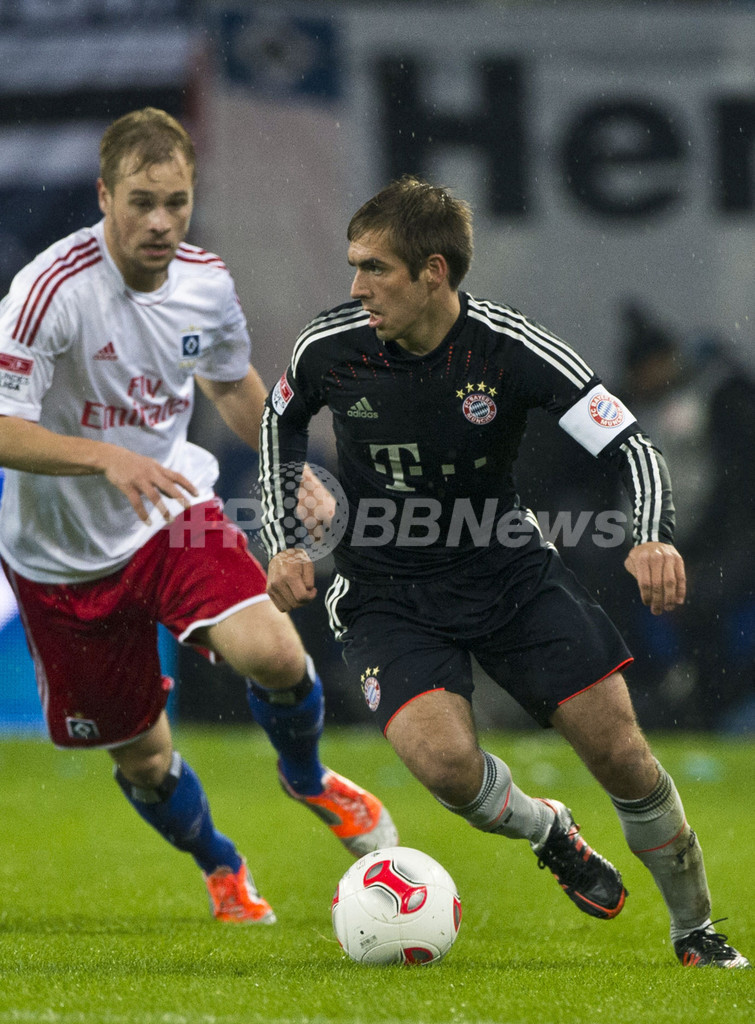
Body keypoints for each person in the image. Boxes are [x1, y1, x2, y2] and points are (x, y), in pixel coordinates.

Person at [258, 175, 750, 968]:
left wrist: (649, 537)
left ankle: (694, 930)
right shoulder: (329, 347)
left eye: (375, 268)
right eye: (354, 267)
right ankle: (548, 831)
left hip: (509, 577)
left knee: (622, 757)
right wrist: (282, 540)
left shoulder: (510, 347)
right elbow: (278, 420)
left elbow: (630, 444)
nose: (356, 289)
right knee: (448, 770)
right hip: (386, 594)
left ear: (433, 273)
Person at [0, 108, 397, 925]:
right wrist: (105, 457)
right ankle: (220, 862)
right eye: (142, 201)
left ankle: (308, 779)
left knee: (276, 654)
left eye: (176, 202)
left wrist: (288, 465)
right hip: (62, 558)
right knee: (146, 761)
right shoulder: (49, 292)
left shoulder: (204, 281)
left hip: (170, 513)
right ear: (104, 196)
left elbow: (228, 382)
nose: (160, 221)